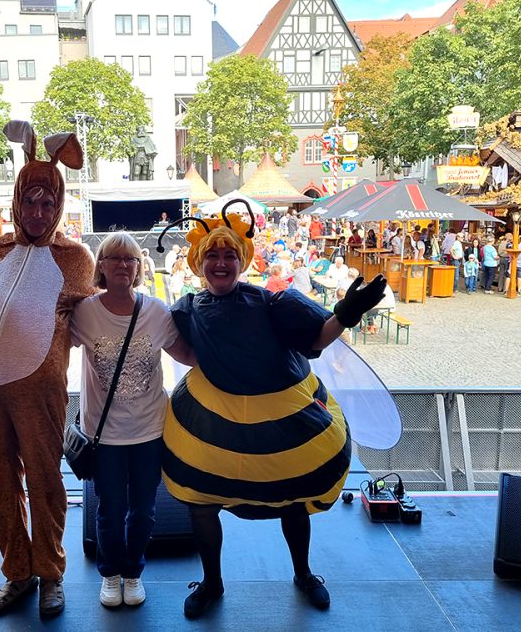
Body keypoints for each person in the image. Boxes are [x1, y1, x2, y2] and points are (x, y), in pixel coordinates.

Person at [158, 206, 386, 618]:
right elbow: (184, 352)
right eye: (212, 255)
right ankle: (211, 582)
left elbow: (316, 337)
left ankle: (303, 573)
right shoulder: (188, 308)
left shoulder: (271, 302)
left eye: (229, 255)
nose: (221, 263)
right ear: (199, 264)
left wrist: (347, 313)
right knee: (202, 504)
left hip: (285, 424)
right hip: (215, 429)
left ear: (241, 261)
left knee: (294, 501)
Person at [0, 121, 94, 618]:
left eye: (48, 203)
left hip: (38, 387)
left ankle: (50, 574)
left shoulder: (75, 257)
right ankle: (16, 571)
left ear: (59, 206)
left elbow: (101, 316)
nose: (38, 212)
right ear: (16, 201)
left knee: (43, 479)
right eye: (30, 201)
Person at [70, 232, 194, 609]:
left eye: (130, 259)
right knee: (110, 508)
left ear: (139, 267)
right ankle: (111, 574)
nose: (122, 265)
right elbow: (53, 346)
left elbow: (187, 355)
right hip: (103, 435)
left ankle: (133, 572)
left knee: (144, 509)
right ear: (101, 266)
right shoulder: (85, 312)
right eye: (114, 258)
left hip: (149, 430)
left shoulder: (156, 311)